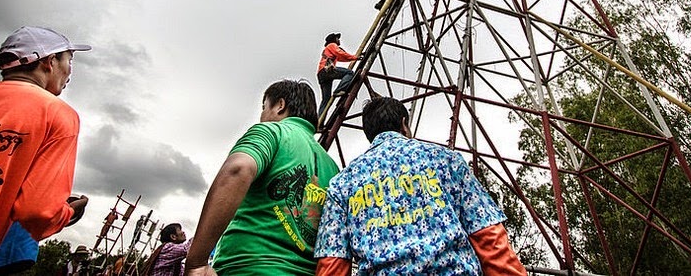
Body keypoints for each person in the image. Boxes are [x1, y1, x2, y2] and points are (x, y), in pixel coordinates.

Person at [314, 97, 527, 275]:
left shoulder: (343, 183)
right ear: (404, 123)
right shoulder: (446, 160)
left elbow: (332, 264)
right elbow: (490, 240)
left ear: (369, 133)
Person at [0, 26, 91, 275]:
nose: (69, 73)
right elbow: (37, 211)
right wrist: (66, 213)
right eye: (69, 61)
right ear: (49, 62)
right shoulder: (58, 114)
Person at [184, 80, 340, 276]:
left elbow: (238, 169)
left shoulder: (272, 132)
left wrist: (196, 262)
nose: (262, 115)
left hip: (248, 268)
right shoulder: (333, 167)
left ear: (280, 105)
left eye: (264, 107)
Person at [316, 33, 360, 117]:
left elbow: (341, 57)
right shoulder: (332, 45)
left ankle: (319, 122)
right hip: (327, 70)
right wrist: (355, 57)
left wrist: (354, 58)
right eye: (337, 38)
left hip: (321, 74)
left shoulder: (327, 49)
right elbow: (340, 53)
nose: (339, 40)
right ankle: (339, 90)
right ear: (334, 39)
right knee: (349, 73)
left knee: (326, 100)